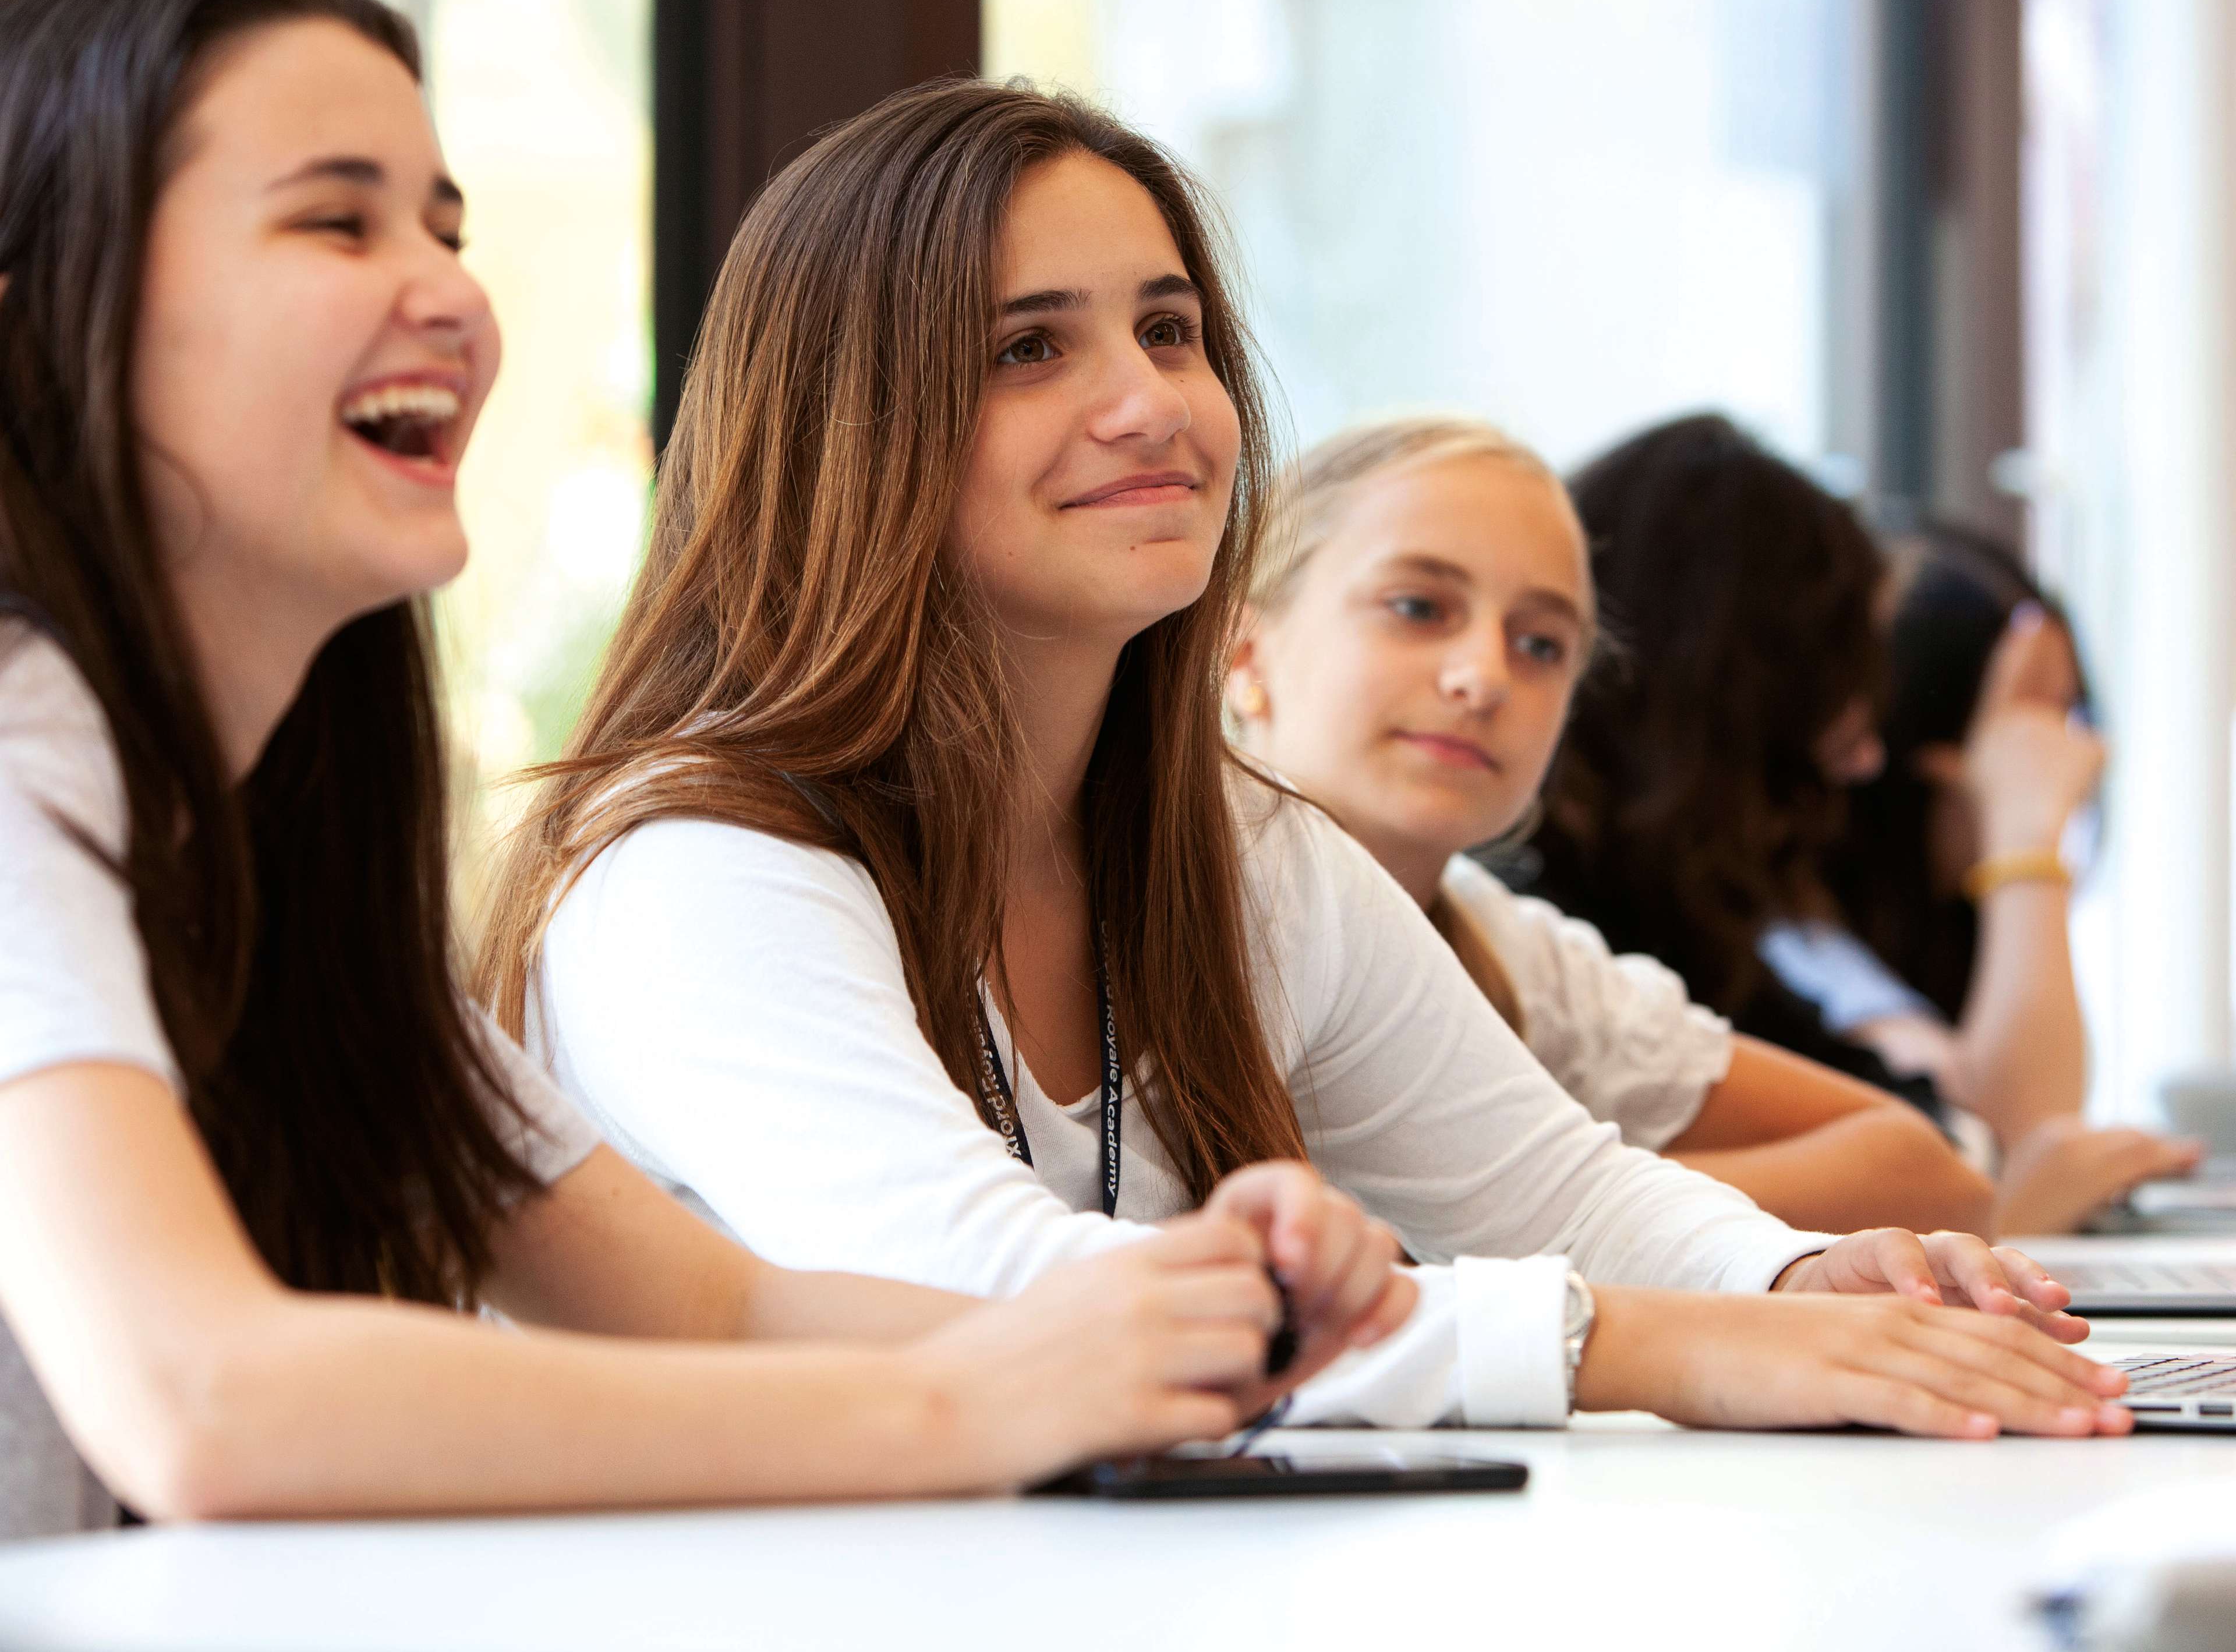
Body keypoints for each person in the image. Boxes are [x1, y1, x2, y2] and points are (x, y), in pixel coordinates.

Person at [487, 76, 2132, 1443]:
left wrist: (1790, 1283)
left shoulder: (1239, 848)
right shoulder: (696, 863)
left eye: (1171, 327)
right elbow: (990, 1291)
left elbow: (1553, 1183)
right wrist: (1649, 1341)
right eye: (1030, 348)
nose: (1154, 404)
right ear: (852, 426)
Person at [0, 0, 1409, 1542]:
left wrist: (1195, 1316)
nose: (455, 294)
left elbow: (717, 1308)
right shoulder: (17, 727)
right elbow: (205, 1403)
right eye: (339, 219)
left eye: (446, 228)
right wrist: (978, 1397)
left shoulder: (276, 833)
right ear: (41, 310)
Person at [1225, 415, 1994, 1235]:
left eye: (1541, 644)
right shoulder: (1168, 898)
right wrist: (1553, 1208)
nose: (1484, 676)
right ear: (1244, 654)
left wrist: (1564, 1193)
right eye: (1418, 606)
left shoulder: (1510, 948)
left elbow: (1935, 1175)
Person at [1526, 413, 2192, 1234]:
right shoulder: (1542, 899)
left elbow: (1942, 1147)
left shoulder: (1676, 916)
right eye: (1836, 698)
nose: (1857, 760)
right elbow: (1968, 1161)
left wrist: (1966, 1188)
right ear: (1733, 700)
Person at [1781, 525, 2202, 1230]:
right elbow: (2022, 1140)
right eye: (2040, 713)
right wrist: (2026, 833)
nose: (2076, 749)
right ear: (1924, 743)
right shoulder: (1791, 937)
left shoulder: (1919, 939)